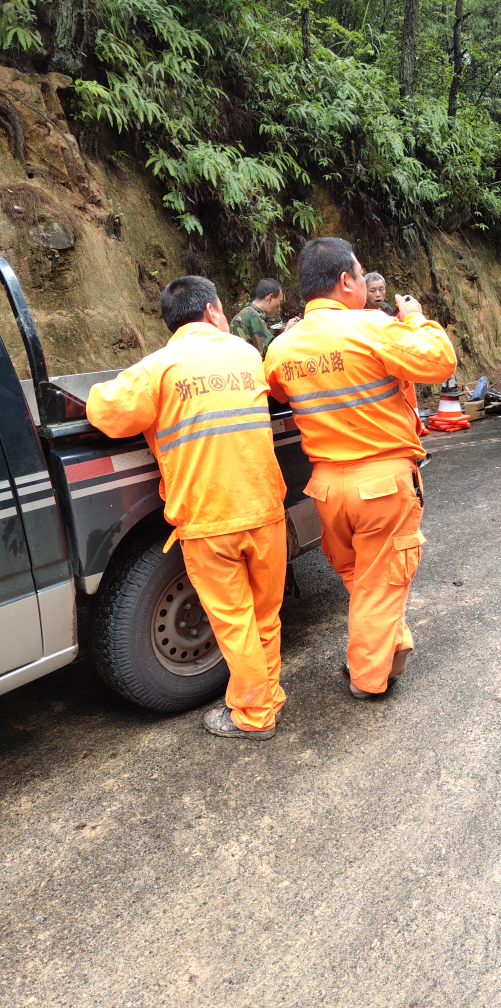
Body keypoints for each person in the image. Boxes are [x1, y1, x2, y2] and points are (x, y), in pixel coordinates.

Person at [86, 275, 289, 739]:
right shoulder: (246, 355)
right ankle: (265, 696)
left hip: (208, 521)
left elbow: (105, 413)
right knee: (263, 616)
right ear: (216, 311)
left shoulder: (157, 367)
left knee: (233, 621)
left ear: (171, 323)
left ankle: (255, 715)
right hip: (265, 510)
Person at [265, 237, 456, 697]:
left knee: (364, 578)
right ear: (345, 281)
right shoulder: (371, 326)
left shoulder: (283, 347)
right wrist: (415, 318)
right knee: (380, 581)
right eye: (360, 271)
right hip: (383, 486)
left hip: (328, 491)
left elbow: (273, 392)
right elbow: (440, 361)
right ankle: (369, 681)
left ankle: (394, 645)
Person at [230, 277, 300, 355]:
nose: (279, 309)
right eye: (280, 302)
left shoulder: (246, 314)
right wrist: (287, 331)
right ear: (270, 298)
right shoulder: (252, 316)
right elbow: (271, 352)